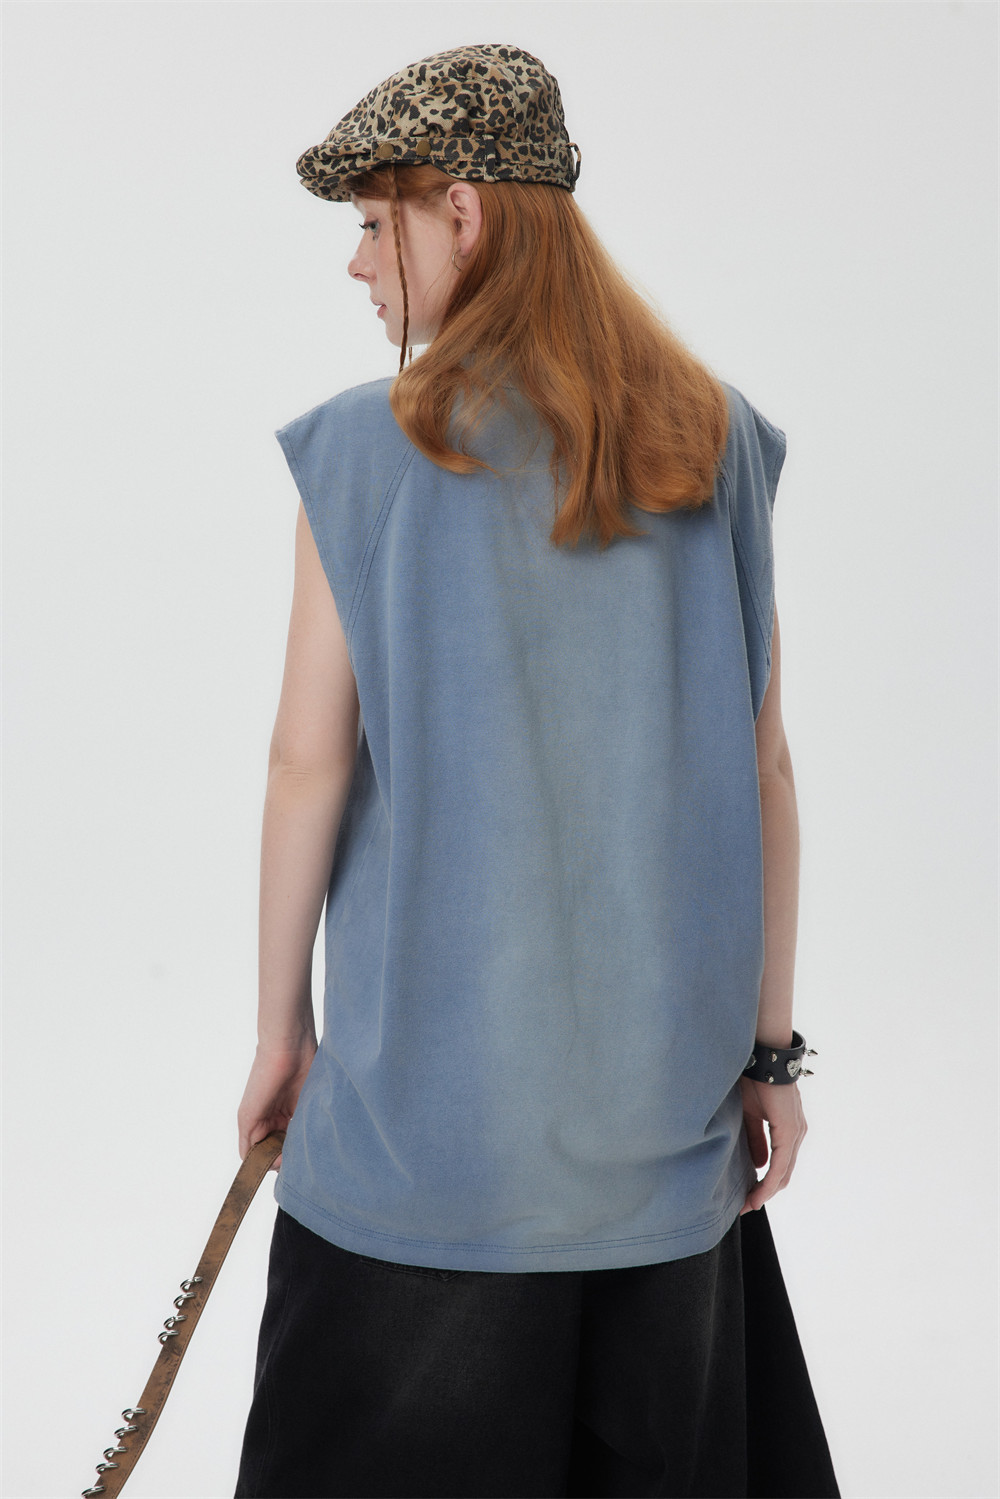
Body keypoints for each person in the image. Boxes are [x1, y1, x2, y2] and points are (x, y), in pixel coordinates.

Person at [233, 43, 840, 1499]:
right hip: (662, 1139)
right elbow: (764, 772)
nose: (358, 266)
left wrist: (281, 1032)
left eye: (372, 224)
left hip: (422, 1154)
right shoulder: (715, 442)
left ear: (462, 211)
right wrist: (768, 1056)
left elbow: (306, 766)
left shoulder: (366, 454)